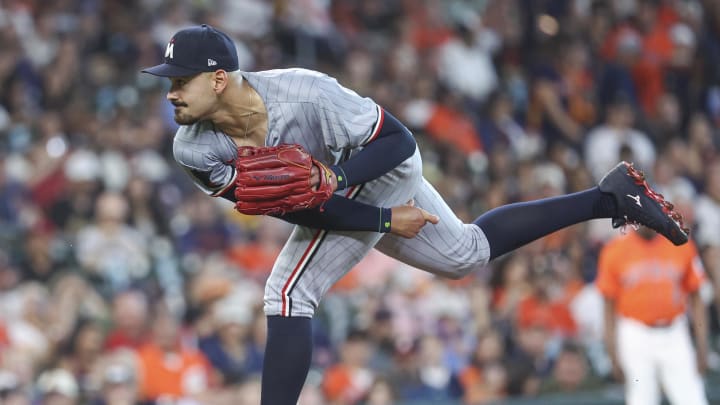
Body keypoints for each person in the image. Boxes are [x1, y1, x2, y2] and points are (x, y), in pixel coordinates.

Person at [141, 24, 689, 405]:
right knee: (465, 255)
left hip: (379, 167)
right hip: (335, 199)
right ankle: (610, 197)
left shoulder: (306, 92)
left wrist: (344, 184)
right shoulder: (193, 149)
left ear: (218, 78)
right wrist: (380, 223)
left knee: (287, 292)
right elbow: (289, 204)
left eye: (179, 80)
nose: (171, 93)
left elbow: (398, 143)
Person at [596, 226, 708, 405]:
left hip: (674, 331)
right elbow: (608, 308)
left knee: (692, 399)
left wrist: (702, 345)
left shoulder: (680, 242)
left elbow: (696, 295)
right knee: (641, 400)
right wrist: (612, 353)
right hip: (635, 332)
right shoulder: (615, 249)